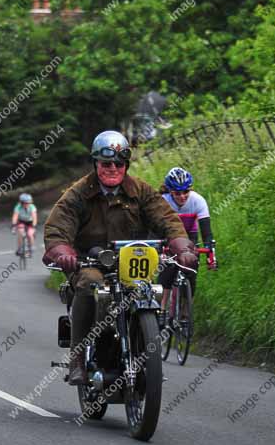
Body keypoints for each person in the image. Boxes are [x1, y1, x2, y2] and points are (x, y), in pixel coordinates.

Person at [42, 130, 198, 385]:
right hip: (89, 263)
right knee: (91, 285)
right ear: (96, 163)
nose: (113, 168)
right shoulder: (78, 194)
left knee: (149, 291)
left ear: (125, 164)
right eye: (106, 163)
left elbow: (167, 219)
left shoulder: (141, 191)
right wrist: (63, 253)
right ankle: (78, 358)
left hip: (131, 263)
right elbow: (57, 228)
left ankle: (144, 347)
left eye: (119, 163)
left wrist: (182, 247)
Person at [158, 166, 215, 319]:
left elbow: (206, 230)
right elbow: (155, 227)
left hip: (190, 235)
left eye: (186, 192)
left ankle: (185, 309)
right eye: (177, 193)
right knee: (167, 270)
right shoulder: (163, 202)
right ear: (170, 192)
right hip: (169, 235)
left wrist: (209, 249)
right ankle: (162, 309)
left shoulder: (198, 200)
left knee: (191, 269)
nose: (182, 196)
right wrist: (158, 248)